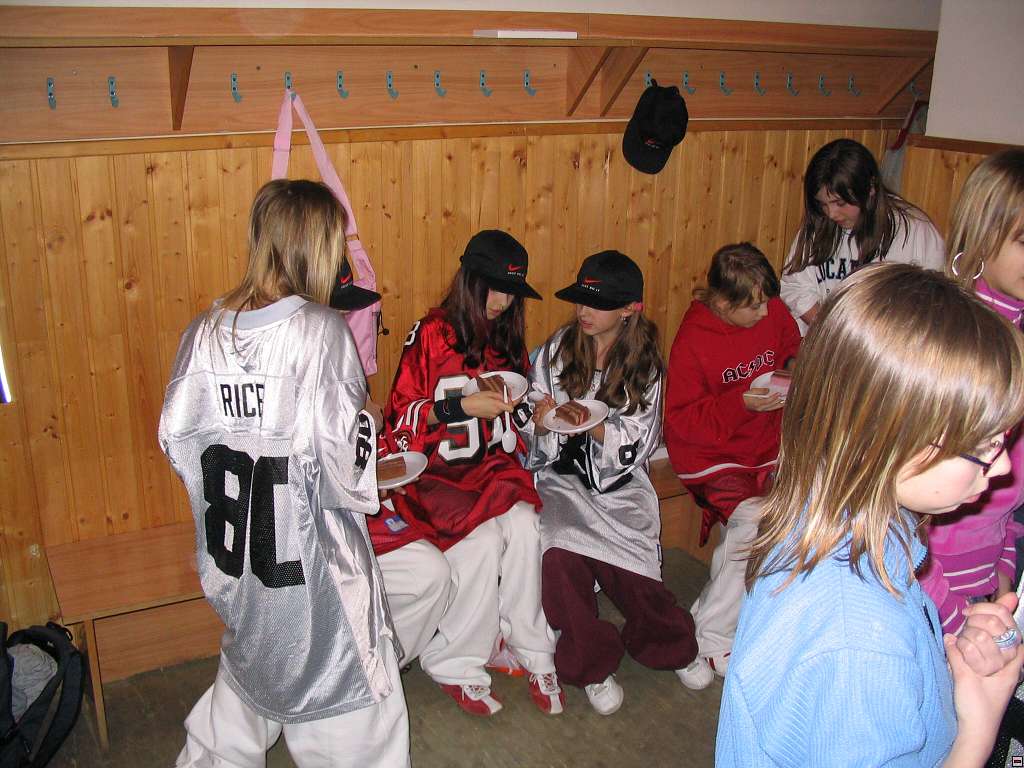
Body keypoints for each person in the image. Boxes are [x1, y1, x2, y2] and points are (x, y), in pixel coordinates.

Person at [717, 263, 1024, 767]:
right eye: (984, 445)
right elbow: (863, 664)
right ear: (887, 440)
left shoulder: (846, 521)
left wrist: (943, 664)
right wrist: (980, 725)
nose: (1005, 466)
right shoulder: (856, 641)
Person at [159, 179, 409, 768]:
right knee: (364, 722)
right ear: (320, 246)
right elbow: (347, 475)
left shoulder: (202, 333)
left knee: (248, 684)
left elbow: (176, 440)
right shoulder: (321, 332)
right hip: (317, 577)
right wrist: (368, 422)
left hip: (241, 567)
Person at [383, 229, 563, 717]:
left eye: (512, 292)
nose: (503, 302)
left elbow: (514, 412)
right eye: (494, 289)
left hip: (489, 467)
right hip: (437, 475)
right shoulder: (430, 333)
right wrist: (459, 407)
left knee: (525, 525)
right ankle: (455, 661)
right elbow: (399, 420)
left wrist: (535, 412)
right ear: (469, 281)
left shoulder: (505, 337)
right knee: (480, 541)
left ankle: (531, 646)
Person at [524, 250, 698, 715]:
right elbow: (533, 403)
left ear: (628, 309)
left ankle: (670, 643)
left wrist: (596, 427)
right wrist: (541, 416)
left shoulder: (645, 364)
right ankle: (590, 665)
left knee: (634, 577)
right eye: (580, 300)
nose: (583, 311)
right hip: (563, 479)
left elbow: (641, 439)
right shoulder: (560, 347)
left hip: (619, 483)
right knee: (560, 560)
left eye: (596, 304)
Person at [664, 242, 801, 689]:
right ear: (723, 304)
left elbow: (791, 346)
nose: (765, 313)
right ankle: (713, 635)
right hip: (710, 457)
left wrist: (791, 371)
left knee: (800, 512)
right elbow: (683, 425)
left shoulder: (770, 308)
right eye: (753, 307)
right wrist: (740, 403)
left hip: (766, 444)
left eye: (766, 302)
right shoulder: (694, 341)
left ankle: (727, 614)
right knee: (756, 521)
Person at [919, 148, 1024, 636]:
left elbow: (1010, 479)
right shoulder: (951, 342)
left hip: (990, 562)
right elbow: (892, 510)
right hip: (931, 576)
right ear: (981, 235)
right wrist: (950, 613)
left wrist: (1005, 562)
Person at [780, 138, 944, 334]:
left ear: (870, 187)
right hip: (826, 339)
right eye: (823, 204)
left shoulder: (916, 231)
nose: (831, 214)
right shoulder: (820, 223)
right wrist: (832, 332)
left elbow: (933, 305)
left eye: (840, 203)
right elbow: (795, 287)